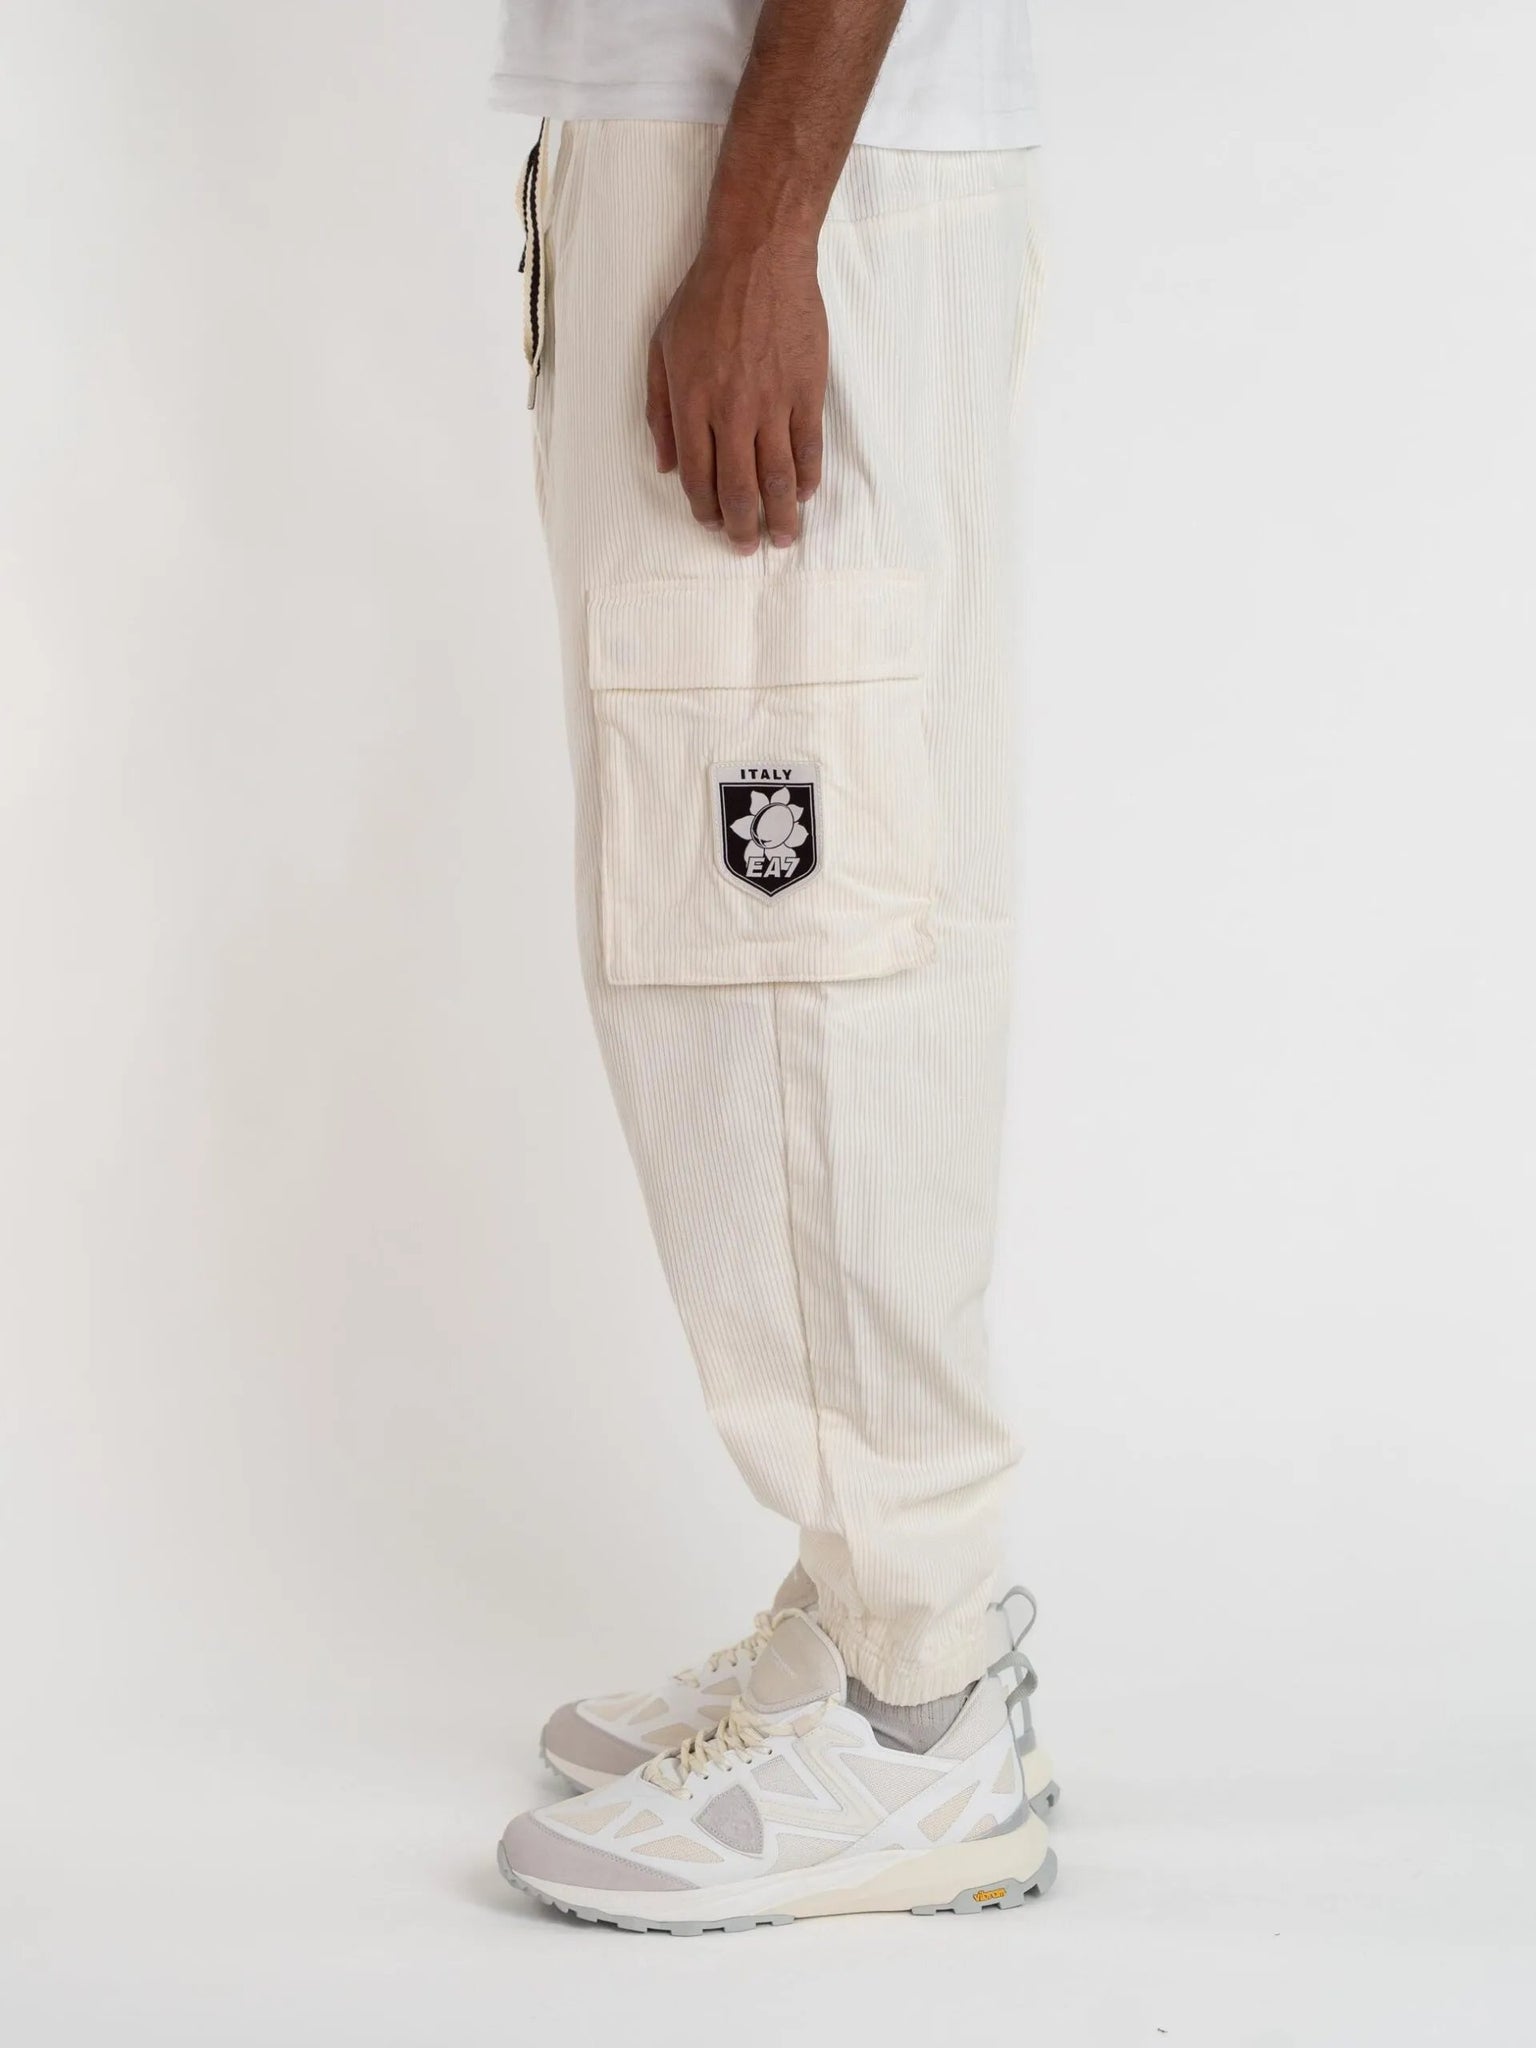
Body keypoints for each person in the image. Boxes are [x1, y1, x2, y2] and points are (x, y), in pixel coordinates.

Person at [494, 0, 1053, 1930]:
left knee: (796, 950)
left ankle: (919, 1698)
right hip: (717, 149)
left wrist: (755, 232)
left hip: (776, 164)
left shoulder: (770, 207)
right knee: (770, 934)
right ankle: (857, 1600)